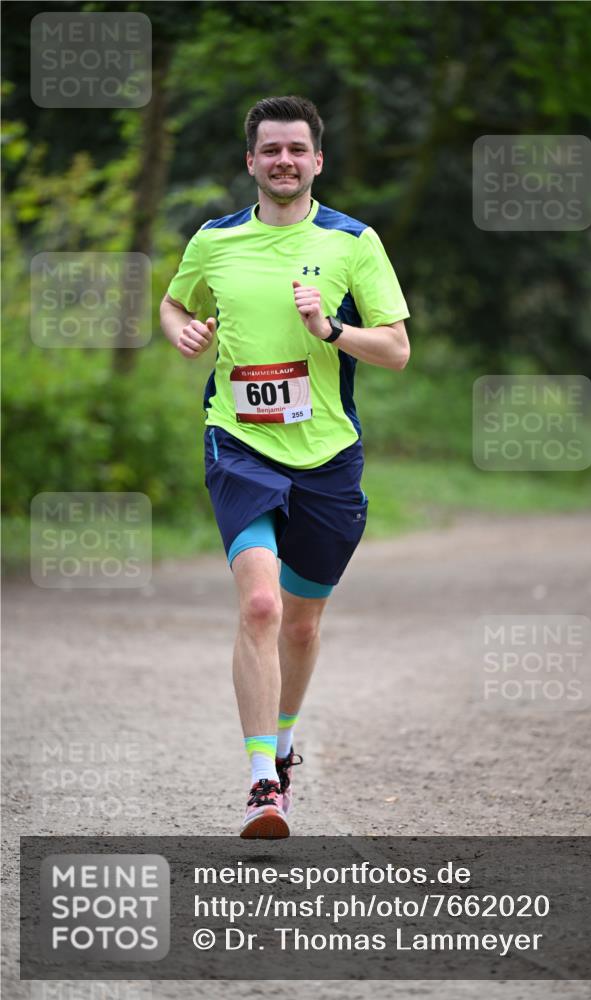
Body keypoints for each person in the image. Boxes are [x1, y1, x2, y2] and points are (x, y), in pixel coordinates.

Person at [160, 95, 410, 838]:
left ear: (317, 160)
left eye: (296, 149)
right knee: (261, 607)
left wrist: (330, 329)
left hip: (327, 453)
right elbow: (173, 305)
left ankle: (287, 739)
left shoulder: (352, 242)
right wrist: (185, 330)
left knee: (300, 625)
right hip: (238, 442)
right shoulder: (215, 240)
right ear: (250, 161)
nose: (283, 161)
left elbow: (396, 349)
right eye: (270, 150)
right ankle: (262, 781)